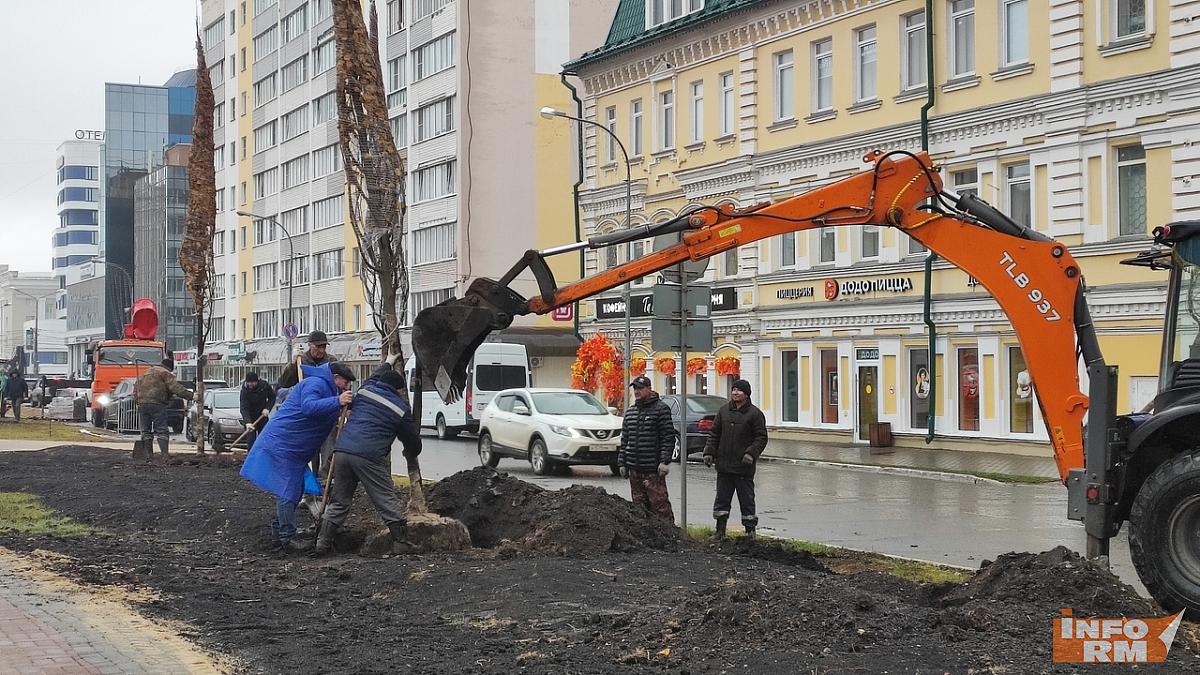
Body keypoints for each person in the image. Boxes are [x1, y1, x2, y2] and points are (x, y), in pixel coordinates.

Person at [240, 362, 355, 551]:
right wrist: (337, 401)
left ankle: (280, 532)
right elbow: (309, 407)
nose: (348, 386)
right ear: (335, 377)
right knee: (289, 489)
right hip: (284, 444)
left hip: (293, 448)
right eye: (346, 382)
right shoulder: (316, 384)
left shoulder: (327, 389)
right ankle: (287, 537)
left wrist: (342, 404)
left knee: (296, 487)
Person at [314, 355, 421, 556]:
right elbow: (411, 440)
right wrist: (413, 452)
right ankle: (401, 542)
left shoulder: (365, 390)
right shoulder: (399, 407)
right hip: (368, 456)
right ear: (398, 390)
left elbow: (374, 376)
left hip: (342, 451)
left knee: (340, 500)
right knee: (385, 497)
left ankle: (323, 542)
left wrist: (388, 361)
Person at [703, 379, 768, 539]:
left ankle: (750, 532)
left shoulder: (754, 414)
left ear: (746, 394)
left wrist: (751, 454)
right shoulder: (723, 411)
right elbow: (714, 434)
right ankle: (720, 531)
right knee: (722, 500)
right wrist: (709, 452)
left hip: (743, 468)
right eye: (733, 390)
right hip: (724, 466)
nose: (735, 393)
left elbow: (761, 438)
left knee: (747, 500)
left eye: (738, 390)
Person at [276, 330, 340, 479]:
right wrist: (292, 366)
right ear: (310, 346)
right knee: (310, 451)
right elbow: (284, 383)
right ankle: (310, 484)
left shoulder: (332, 361)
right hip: (307, 413)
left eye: (323, 346)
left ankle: (325, 482)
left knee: (329, 449)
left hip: (327, 412)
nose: (321, 350)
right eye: (318, 347)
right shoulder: (300, 362)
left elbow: (341, 381)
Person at [617, 376, 675, 522]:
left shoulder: (661, 409)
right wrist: (622, 462)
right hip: (635, 469)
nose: (637, 391)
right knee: (639, 509)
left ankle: (669, 537)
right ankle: (645, 539)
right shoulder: (630, 412)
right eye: (635, 388)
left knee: (660, 507)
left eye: (640, 388)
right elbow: (625, 440)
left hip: (652, 470)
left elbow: (668, 437)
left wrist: (664, 461)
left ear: (649, 389)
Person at [134, 359, 194, 455]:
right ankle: (164, 455)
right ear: (170, 367)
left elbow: (136, 388)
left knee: (146, 431)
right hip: (157, 403)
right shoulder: (165, 373)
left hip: (142, 403)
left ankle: (148, 455)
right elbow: (176, 388)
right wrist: (192, 396)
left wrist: (137, 401)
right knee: (161, 430)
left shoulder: (146, 372)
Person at [239, 371, 276, 448]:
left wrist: (267, 408)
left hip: (262, 416)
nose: (250, 384)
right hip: (250, 418)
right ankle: (251, 457)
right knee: (251, 441)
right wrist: (247, 422)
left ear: (257, 381)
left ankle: (263, 457)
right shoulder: (244, 392)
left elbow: (272, 397)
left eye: (253, 382)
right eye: (249, 382)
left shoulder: (264, 386)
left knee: (263, 440)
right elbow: (244, 408)